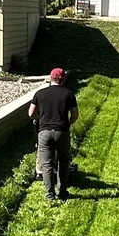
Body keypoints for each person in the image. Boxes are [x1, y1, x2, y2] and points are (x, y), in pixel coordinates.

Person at [28, 66, 78, 202]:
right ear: (63, 79)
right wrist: (68, 123)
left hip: (44, 133)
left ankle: (50, 195)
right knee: (63, 161)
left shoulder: (40, 93)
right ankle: (62, 192)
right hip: (62, 131)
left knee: (47, 164)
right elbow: (75, 115)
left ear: (51, 78)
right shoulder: (69, 94)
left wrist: (38, 120)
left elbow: (31, 113)